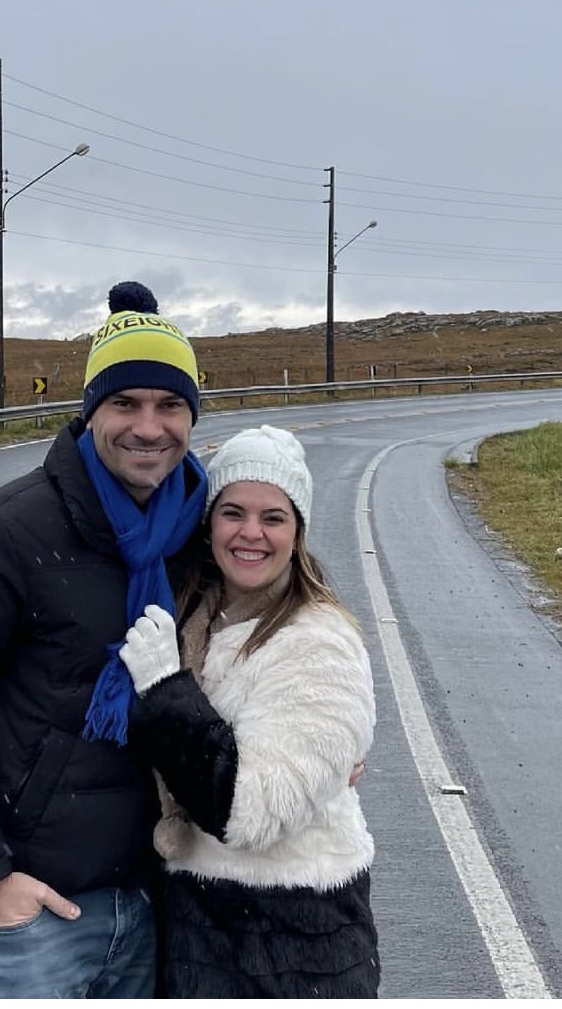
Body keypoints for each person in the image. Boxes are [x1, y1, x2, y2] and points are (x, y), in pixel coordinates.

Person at [0, 281, 207, 999]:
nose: (149, 426)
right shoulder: (4, 535)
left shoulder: (201, 531)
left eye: (169, 404)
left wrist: (320, 742)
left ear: (192, 415)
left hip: (165, 897)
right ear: (90, 412)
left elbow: (269, 636)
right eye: (125, 403)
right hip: (39, 915)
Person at [118, 424, 380, 998]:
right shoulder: (197, 615)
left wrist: (166, 691)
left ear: (298, 531)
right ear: (208, 522)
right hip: (198, 923)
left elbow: (249, 814)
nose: (251, 534)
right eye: (233, 512)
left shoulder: (319, 641)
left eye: (273, 517)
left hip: (292, 940)